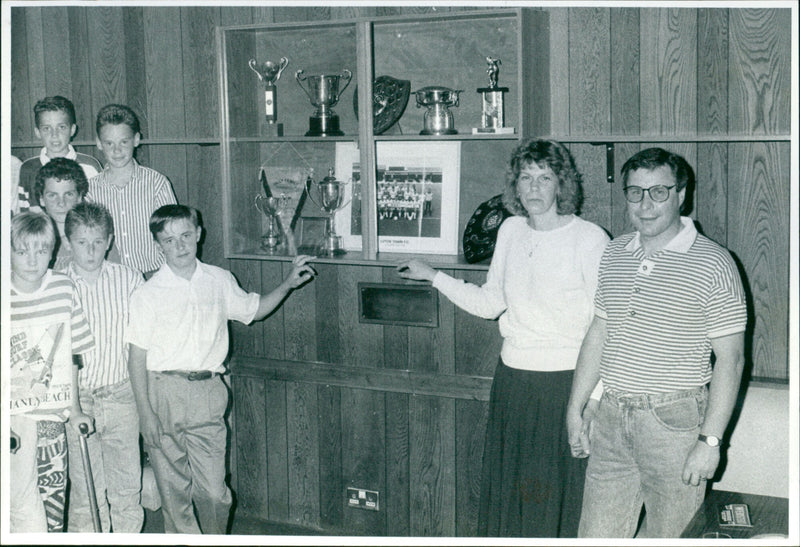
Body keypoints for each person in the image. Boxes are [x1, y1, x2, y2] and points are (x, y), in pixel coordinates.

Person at [397, 139, 609, 537]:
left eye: (544, 178)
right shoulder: (510, 230)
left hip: (566, 385)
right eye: (526, 177)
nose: (534, 188)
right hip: (513, 382)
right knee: (515, 492)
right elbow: (490, 303)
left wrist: (592, 402)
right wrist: (434, 276)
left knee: (554, 495)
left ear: (562, 184)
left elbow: (609, 327)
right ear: (515, 185)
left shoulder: (591, 239)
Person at [566, 147, 747, 538]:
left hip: (674, 425)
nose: (646, 205)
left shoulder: (715, 263)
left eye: (659, 192)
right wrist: (578, 404)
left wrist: (710, 441)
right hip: (611, 419)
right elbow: (600, 331)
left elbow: (730, 361)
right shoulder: (615, 252)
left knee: (672, 538)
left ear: (682, 194)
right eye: (636, 193)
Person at [125, 204, 316, 534]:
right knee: (174, 495)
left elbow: (254, 311)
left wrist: (287, 284)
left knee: (215, 493)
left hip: (208, 392)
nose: (180, 245)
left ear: (198, 234)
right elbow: (136, 358)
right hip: (162, 393)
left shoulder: (219, 280)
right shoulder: (147, 293)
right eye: (169, 240)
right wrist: (145, 414)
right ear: (158, 245)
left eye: (186, 235)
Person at [8, 211, 94, 533]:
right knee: (20, 506)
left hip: (51, 415)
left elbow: (72, 354)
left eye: (41, 250)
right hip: (13, 416)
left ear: (53, 250)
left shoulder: (62, 288)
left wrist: (75, 410)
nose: (32, 260)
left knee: (53, 505)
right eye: (22, 251)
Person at [63, 202, 145, 533]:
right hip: (79, 401)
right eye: (82, 242)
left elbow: (145, 339)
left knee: (127, 491)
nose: (91, 250)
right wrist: (73, 406)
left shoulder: (130, 279)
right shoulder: (57, 285)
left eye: (97, 241)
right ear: (68, 243)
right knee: (85, 497)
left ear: (109, 240)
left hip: (122, 396)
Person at [86, 103, 177, 275]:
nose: (117, 150)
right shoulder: (90, 190)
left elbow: (172, 233)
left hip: (154, 275)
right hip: (111, 278)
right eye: (109, 143)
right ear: (99, 143)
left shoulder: (156, 183)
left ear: (136, 139)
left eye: (124, 142)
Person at [17, 96, 102, 211]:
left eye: (61, 127)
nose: (54, 135)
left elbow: (98, 210)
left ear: (72, 130)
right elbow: (24, 215)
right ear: (37, 132)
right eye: (47, 128)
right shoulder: (27, 169)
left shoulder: (90, 166)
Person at [34, 157, 89, 272]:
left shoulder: (96, 236)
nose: (61, 203)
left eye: (68, 194)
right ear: (41, 199)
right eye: (52, 195)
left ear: (79, 197)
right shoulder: (32, 241)